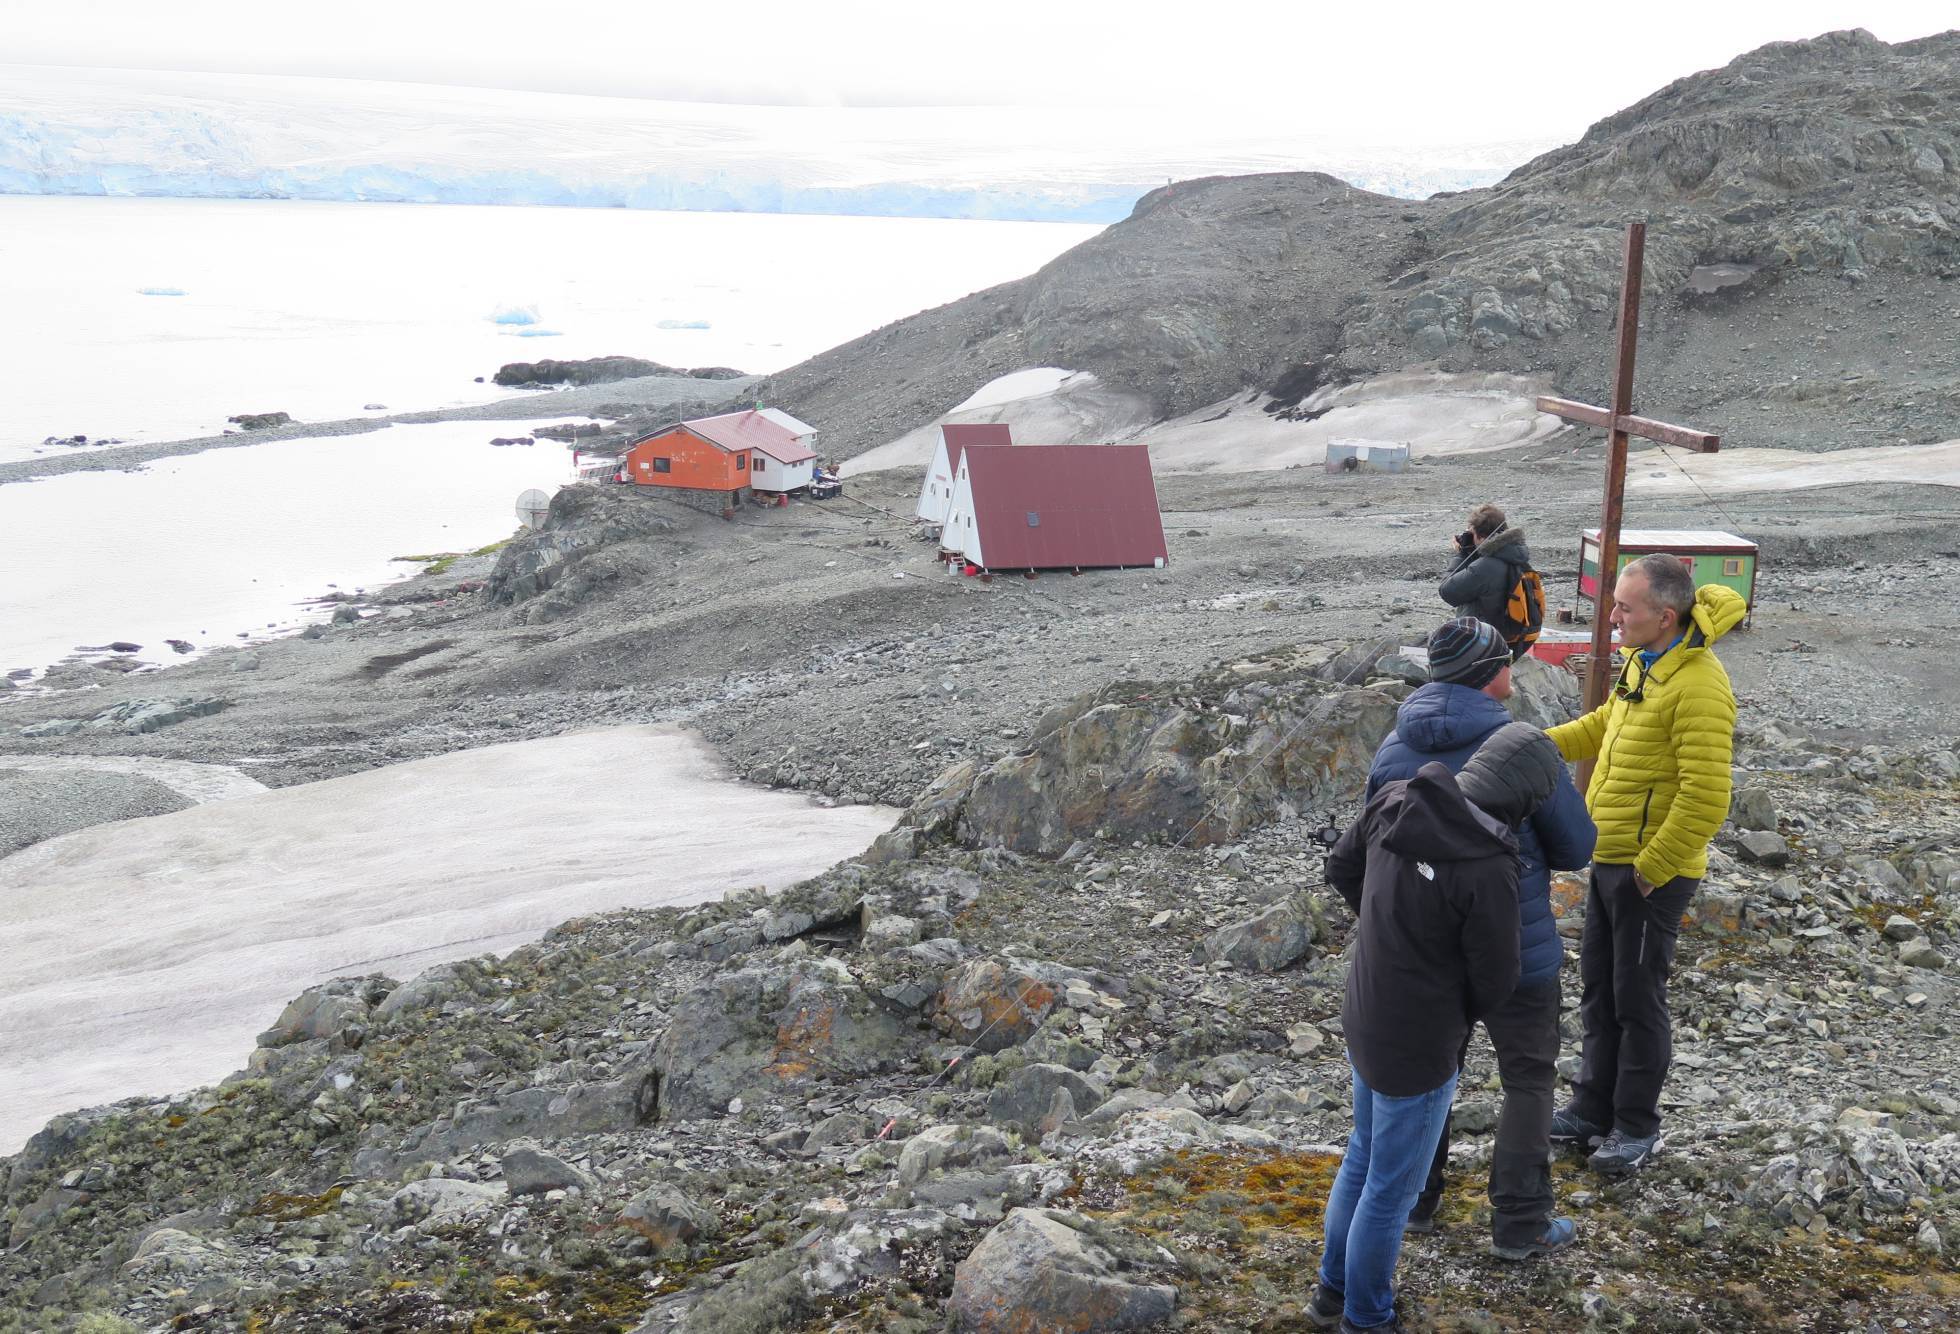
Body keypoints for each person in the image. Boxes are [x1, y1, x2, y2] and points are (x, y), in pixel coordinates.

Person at [1308, 723, 1564, 1332]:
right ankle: (1367, 1317)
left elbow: (1342, 870)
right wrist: (1452, 1006)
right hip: (1421, 1044)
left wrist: (1385, 930)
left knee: (1362, 1158)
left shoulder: (1393, 800)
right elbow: (1499, 976)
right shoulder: (1489, 862)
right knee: (1391, 1191)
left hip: (1367, 1009)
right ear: (1526, 798)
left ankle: (1330, 1294)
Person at [1366, 619, 1595, 1256]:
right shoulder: (1523, 746)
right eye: (1508, 660)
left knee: (1434, 1071)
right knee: (1528, 1075)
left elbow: (1371, 854)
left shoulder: (1392, 749)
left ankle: (1418, 1201)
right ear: (1490, 672)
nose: (1514, 669)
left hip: (1426, 954)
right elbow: (1577, 849)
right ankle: (1520, 1223)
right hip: (1517, 948)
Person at [1546, 554, 1745, 1176]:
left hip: (1649, 872)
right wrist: (1533, 746)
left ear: (1664, 615)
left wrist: (1651, 867)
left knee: (1637, 997)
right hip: (1610, 855)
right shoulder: (1644, 662)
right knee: (1601, 989)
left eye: (1624, 608)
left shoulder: (1700, 683)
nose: (1614, 615)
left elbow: (1708, 796)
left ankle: (1634, 1126)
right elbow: (1606, 725)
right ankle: (1590, 1111)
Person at [1438, 503, 1540, 660]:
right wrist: (1473, 552)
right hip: (1506, 638)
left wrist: (1461, 555)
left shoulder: (1485, 567)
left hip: (1480, 643)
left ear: (1482, 537)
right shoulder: (1514, 553)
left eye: (1471, 534)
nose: (1467, 537)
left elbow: (1447, 591)